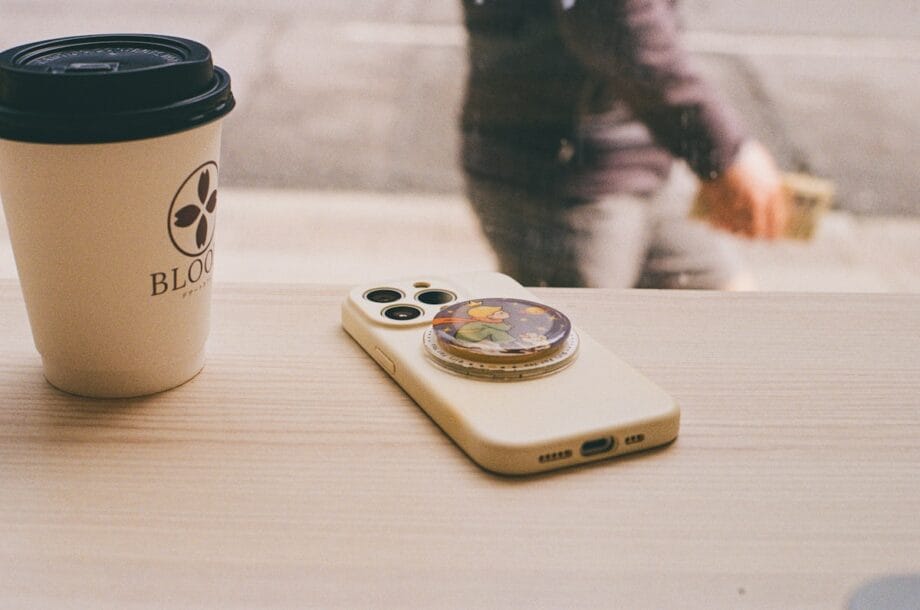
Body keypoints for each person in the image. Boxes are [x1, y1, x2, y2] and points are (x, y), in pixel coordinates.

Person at [460, 0, 788, 289]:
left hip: (642, 154)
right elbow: (618, 21)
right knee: (579, 348)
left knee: (733, 312)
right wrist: (722, 151)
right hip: (562, 181)